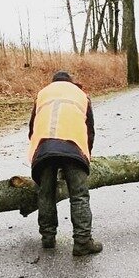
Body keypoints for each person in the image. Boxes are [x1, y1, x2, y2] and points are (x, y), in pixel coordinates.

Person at [28, 71, 103, 257]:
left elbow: (32, 129)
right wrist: (86, 157)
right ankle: (82, 242)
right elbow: (90, 131)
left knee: (46, 193)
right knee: (79, 196)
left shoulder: (42, 94)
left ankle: (47, 238)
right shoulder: (81, 95)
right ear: (71, 82)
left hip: (44, 148)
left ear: (53, 82)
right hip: (73, 148)